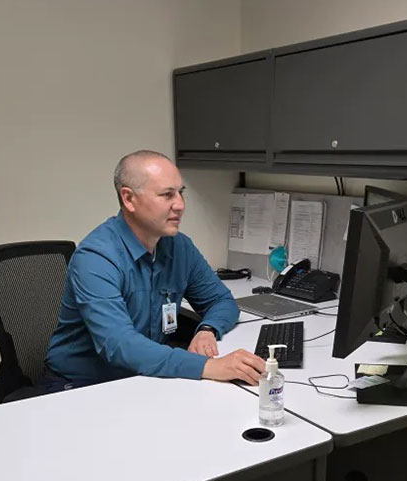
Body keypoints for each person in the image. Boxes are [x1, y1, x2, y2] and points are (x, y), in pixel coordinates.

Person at [42, 150, 265, 391]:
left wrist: (207, 329)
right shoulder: (96, 258)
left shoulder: (178, 246)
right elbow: (120, 346)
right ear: (128, 199)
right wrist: (209, 367)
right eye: (167, 195)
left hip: (143, 376)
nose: (180, 205)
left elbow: (222, 301)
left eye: (181, 193)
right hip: (80, 386)